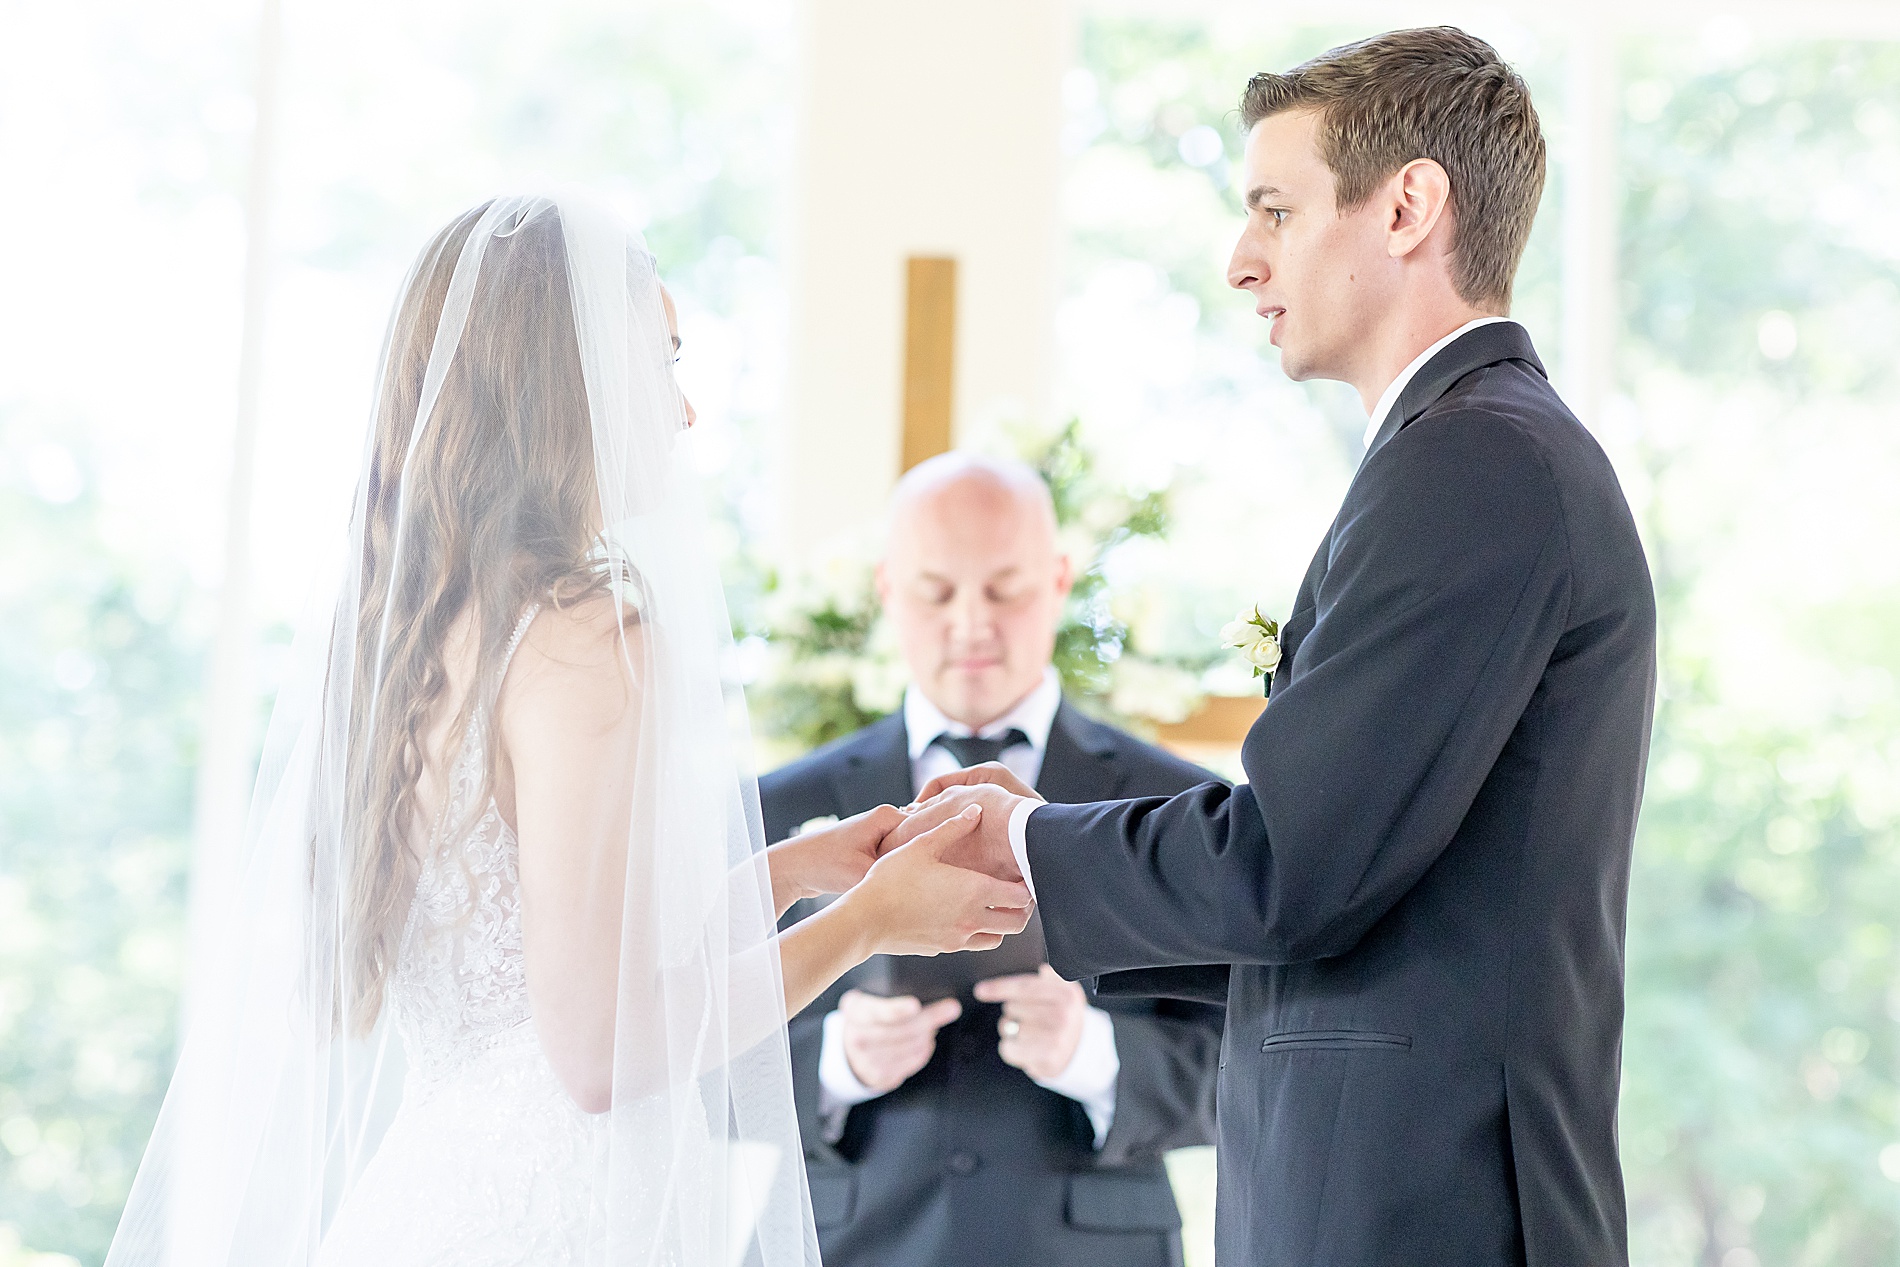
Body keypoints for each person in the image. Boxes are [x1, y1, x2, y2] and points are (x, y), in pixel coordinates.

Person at [104, 194, 1028, 1267]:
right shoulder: (588, 638)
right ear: (569, 382)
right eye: (662, 361)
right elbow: (597, 1049)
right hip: (560, 1213)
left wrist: (790, 872)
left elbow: (548, 960)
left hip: (439, 1191)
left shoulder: (429, 631)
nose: (683, 413)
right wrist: (865, 922)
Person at [896, 28, 1657, 1267]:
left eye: (1275, 210)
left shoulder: (1475, 463)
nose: (1242, 262)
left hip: (1426, 1206)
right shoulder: (1464, 453)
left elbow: (1293, 865)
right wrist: (1033, 878)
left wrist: (1029, 844)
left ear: (1407, 204)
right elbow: (1360, 890)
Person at [759, 452, 1224, 1267]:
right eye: (937, 591)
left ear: (1057, 580)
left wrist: (1095, 1054)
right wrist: (837, 1061)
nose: (971, 622)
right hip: (851, 1242)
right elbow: (683, 1056)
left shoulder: (1176, 803)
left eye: (1004, 588)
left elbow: (1257, 1051)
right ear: (887, 590)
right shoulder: (774, 808)